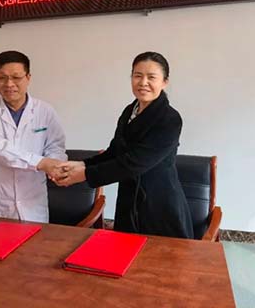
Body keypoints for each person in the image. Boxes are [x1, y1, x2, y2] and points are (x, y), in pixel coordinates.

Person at [54, 52, 194, 239]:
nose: (143, 82)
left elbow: (134, 163)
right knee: (124, 253)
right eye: (137, 76)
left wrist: (84, 174)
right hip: (128, 202)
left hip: (159, 205)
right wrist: (82, 164)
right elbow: (115, 152)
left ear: (164, 82)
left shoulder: (170, 119)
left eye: (151, 77)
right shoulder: (130, 111)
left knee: (159, 256)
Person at [0, 50, 67, 223]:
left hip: (32, 200)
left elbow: (55, 146)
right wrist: (42, 163)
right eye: (2, 78)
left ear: (28, 78)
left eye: (16, 77)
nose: (9, 84)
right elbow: (0, 148)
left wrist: (56, 166)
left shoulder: (45, 111)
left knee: (33, 240)